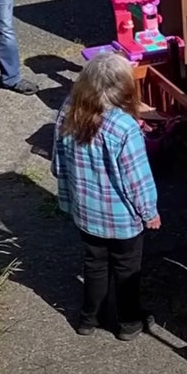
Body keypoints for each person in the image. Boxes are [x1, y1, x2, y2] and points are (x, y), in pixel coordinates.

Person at [52, 52, 159, 340]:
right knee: (126, 269)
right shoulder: (124, 127)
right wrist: (150, 212)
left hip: (85, 212)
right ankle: (128, 322)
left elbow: (57, 160)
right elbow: (138, 180)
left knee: (94, 264)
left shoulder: (68, 110)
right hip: (122, 220)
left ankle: (88, 319)